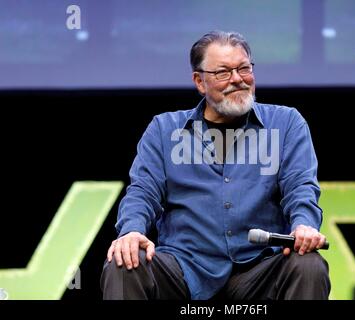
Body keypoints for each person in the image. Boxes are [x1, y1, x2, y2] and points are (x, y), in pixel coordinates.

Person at [100, 30, 331, 300]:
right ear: (199, 81)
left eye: (244, 69)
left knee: (308, 264)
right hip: (185, 269)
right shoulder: (164, 129)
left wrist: (303, 225)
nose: (237, 79)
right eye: (223, 72)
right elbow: (142, 192)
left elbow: (300, 188)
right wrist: (131, 231)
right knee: (125, 260)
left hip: (260, 268)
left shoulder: (286, 123)